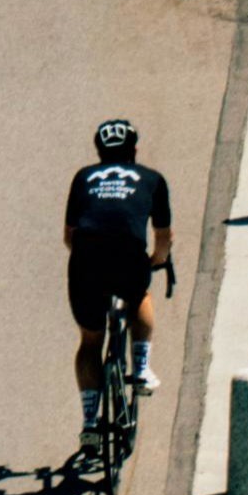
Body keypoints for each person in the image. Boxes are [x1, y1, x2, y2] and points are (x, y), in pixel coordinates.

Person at [64, 119, 173, 448]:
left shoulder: (83, 177)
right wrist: (157, 259)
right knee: (139, 294)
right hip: (127, 254)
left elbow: (69, 236)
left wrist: (89, 259)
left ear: (98, 151)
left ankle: (90, 420)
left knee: (90, 341)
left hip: (86, 259)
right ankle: (140, 368)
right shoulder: (153, 179)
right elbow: (164, 236)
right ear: (135, 150)